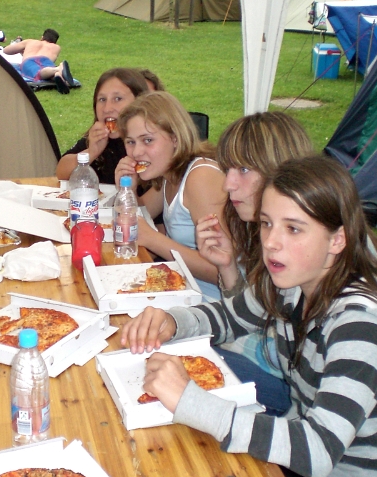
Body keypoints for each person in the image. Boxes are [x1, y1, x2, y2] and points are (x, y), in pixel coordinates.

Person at [121, 155, 377, 477]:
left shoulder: (363, 324)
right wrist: (171, 322)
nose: (270, 242)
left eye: (293, 228)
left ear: (337, 239)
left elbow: (318, 451)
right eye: (267, 223)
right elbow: (229, 316)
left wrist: (189, 401)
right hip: (294, 443)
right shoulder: (295, 279)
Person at [195, 112, 314, 415]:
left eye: (244, 169)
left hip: (297, 398)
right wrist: (227, 267)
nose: (228, 184)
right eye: (228, 169)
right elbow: (251, 314)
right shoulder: (265, 229)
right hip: (278, 372)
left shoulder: (310, 248)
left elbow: (280, 356)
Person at [115, 91, 227, 300]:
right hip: (182, 290)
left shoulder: (200, 178)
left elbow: (222, 271)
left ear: (175, 139)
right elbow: (141, 214)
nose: (136, 152)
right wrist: (128, 189)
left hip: (214, 303)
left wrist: (153, 239)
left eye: (148, 140)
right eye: (130, 142)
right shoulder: (169, 175)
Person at [56, 68, 150, 183]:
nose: (107, 108)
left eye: (118, 99)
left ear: (139, 102)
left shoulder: (151, 142)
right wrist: (91, 152)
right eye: (102, 99)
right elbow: (61, 173)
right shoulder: (98, 139)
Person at [3, 28, 73, 94]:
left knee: (38, 73)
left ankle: (58, 69)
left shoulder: (30, 42)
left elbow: (6, 50)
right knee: (46, 71)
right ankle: (57, 74)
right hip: (46, 60)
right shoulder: (56, 47)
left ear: (42, 37)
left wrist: (21, 50)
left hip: (29, 61)